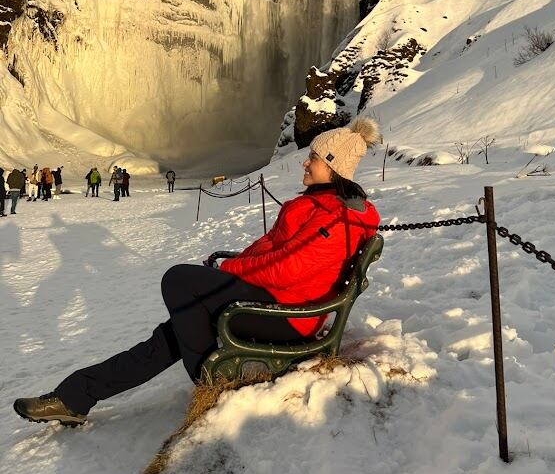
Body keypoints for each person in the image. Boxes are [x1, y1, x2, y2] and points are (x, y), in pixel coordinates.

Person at [13, 117, 381, 426]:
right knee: (175, 330)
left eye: (313, 158)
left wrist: (233, 270)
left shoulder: (337, 216)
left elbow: (287, 270)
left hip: (288, 315)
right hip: (276, 302)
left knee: (179, 280)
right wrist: (228, 268)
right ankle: (75, 396)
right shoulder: (321, 206)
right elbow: (272, 251)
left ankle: (210, 376)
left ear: (332, 166)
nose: (305, 163)